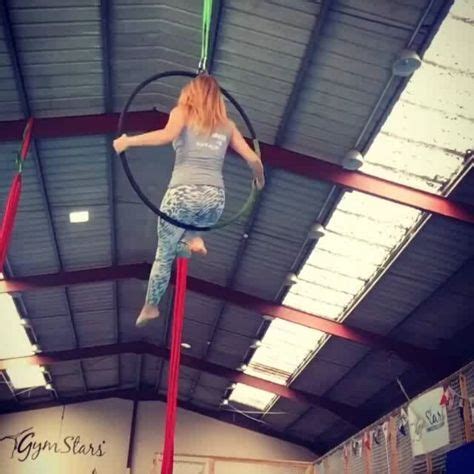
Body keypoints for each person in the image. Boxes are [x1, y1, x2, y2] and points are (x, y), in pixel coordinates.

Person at [113, 74, 265, 327]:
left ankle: (150, 307)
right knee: (195, 222)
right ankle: (195, 238)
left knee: (164, 253)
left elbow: (165, 135)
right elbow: (254, 160)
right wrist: (259, 182)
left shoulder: (182, 112)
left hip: (182, 195)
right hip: (215, 200)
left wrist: (128, 142)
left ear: (190, 93)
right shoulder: (228, 125)